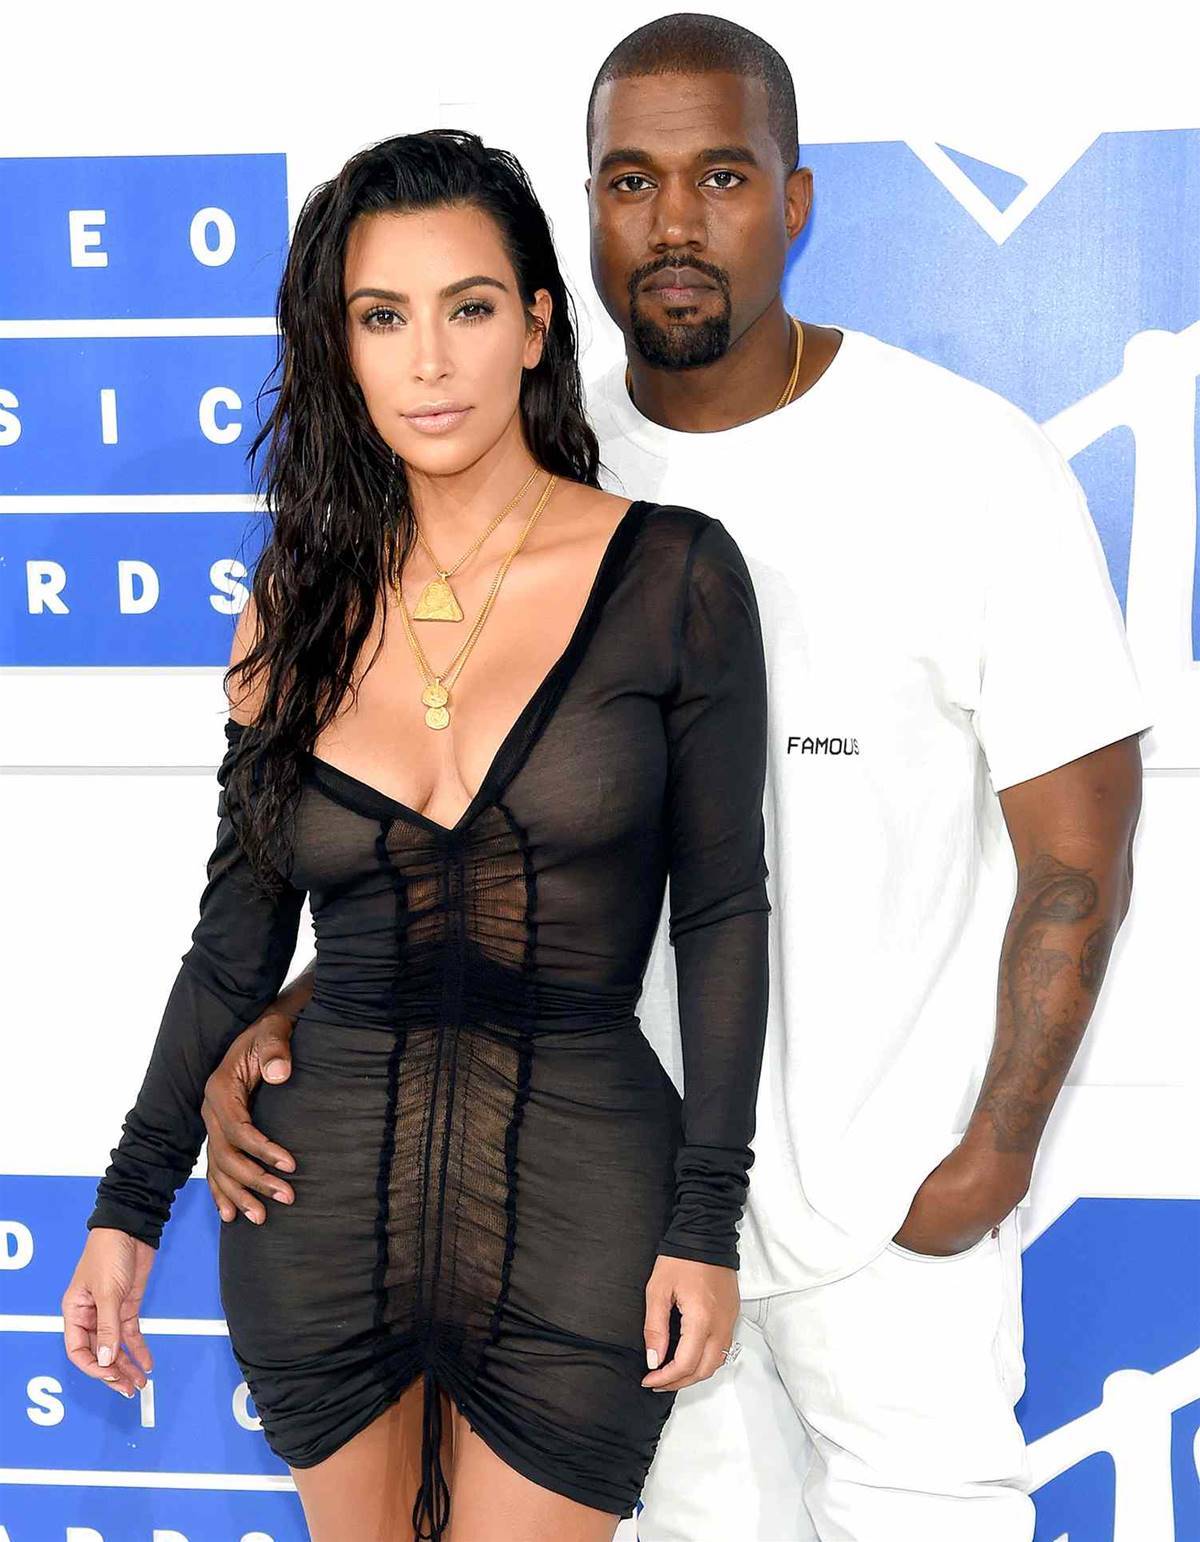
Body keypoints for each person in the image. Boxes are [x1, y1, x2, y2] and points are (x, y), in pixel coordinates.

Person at [202, 16, 1150, 1542]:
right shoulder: (540, 463)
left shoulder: (964, 461)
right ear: (586, 207)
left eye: (722, 175)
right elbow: (467, 819)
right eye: (631, 182)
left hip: (888, 1211)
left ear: (798, 197)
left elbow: (1080, 847)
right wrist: (302, 1004)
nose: (674, 222)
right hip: (610, 1205)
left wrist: (989, 1158)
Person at [61, 127, 772, 1542]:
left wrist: (707, 1216)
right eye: (383, 317)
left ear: (536, 326)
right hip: (313, 1204)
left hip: (585, 1201)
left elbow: (721, 914)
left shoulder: (673, 574)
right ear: (341, 347)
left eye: (469, 307)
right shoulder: (297, 604)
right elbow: (235, 941)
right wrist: (128, 1205)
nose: (430, 362)